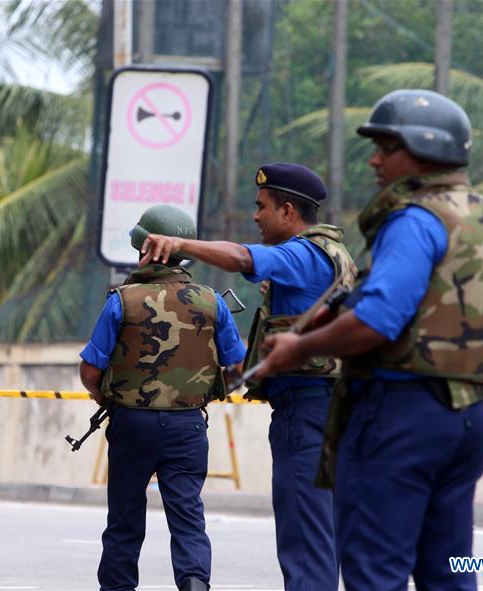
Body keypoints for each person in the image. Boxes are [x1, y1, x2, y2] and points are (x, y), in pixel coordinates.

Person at [256, 90, 483, 590]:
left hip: (399, 415)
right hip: (468, 416)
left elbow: (376, 322)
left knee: (377, 572)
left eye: (386, 147)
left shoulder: (416, 220)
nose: (374, 159)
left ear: (424, 150)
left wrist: (299, 347)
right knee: (448, 571)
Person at [141, 163, 356, 591]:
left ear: (288, 210)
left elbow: (242, 258)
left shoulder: (302, 254)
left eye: (261, 207)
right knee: (323, 533)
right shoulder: (332, 254)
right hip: (332, 407)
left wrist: (180, 243)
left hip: (307, 410)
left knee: (304, 537)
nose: (255, 216)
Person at [79, 205, 246, 591]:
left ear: (143, 249)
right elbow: (237, 366)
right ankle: (193, 580)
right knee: (187, 513)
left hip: (131, 423)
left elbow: (90, 370)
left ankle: (118, 586)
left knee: (124, 516)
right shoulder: (211, 301)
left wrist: (103, 395)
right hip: (187, 426)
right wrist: (210, 390)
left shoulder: (122, 300)